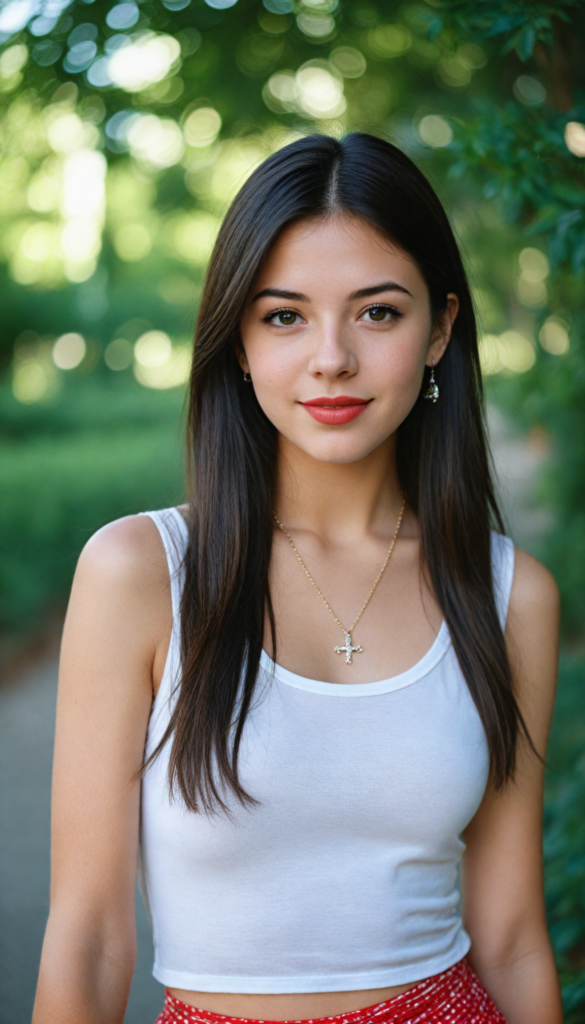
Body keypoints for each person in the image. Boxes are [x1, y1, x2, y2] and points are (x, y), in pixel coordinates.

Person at [33, 133, 562, 1024]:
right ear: (237, 341)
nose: (330, 359)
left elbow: (509, 933)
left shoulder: (511, 595)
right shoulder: (141, 573)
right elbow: (87, 937)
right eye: (284, 316)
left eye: (377, 313)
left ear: (438, 329)